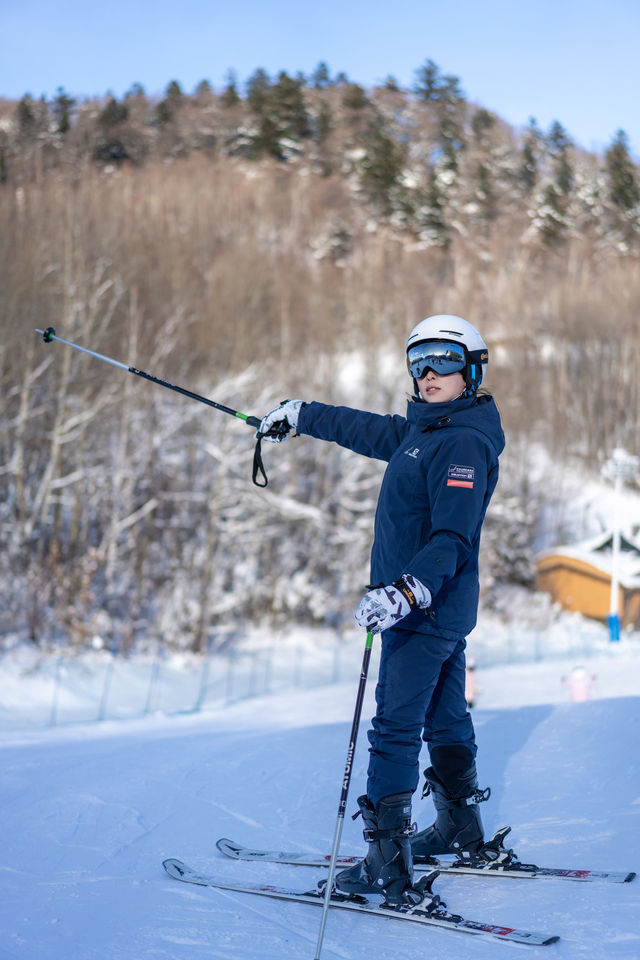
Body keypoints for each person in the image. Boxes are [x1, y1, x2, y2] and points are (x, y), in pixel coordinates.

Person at [257, 314, 505, 905]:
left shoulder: (462, 441)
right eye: (419, 360)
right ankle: (460, 830)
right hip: (437, 611)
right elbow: (369, 430)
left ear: (471, 368)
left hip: (421, 609)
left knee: (395, 729)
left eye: (444, 359)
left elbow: (453, 536)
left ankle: (386, 863)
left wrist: (405, 591)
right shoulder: (428, 430)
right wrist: (304, 414)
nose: (428, 372)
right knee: (444, 719)